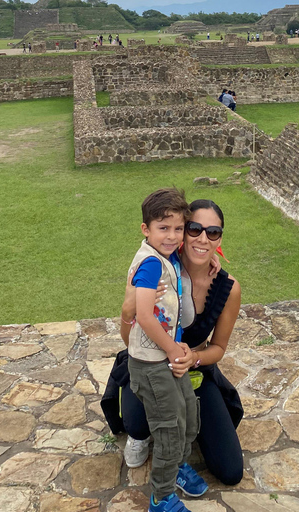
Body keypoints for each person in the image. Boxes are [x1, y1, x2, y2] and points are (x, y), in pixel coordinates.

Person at [102, 198, 244, 490]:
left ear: (219, 239)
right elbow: (130, 339)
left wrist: (192, 358)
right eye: (194, 229)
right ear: (184, 232)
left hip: (192, 369)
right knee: (137, 424)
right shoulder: (162, 268)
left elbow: (218, 349)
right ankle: (149, 439)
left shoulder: (227, 288)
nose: (202, 239)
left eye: (213, 233)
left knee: (230, 470)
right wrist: (128, 310)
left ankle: (181, 441)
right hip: (148, 362)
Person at [113, 189, 208, 512]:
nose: (172, 236)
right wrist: (172, 350)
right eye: (163, 228)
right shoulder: (151, 264)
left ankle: (178, 466)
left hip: (166, 355)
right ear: (146, 229)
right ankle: (162, 497)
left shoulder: (167, 256)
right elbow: (142, 315)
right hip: (151, 363)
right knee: (169, 429)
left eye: (178, 228)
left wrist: (176, 345)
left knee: (188, 416)